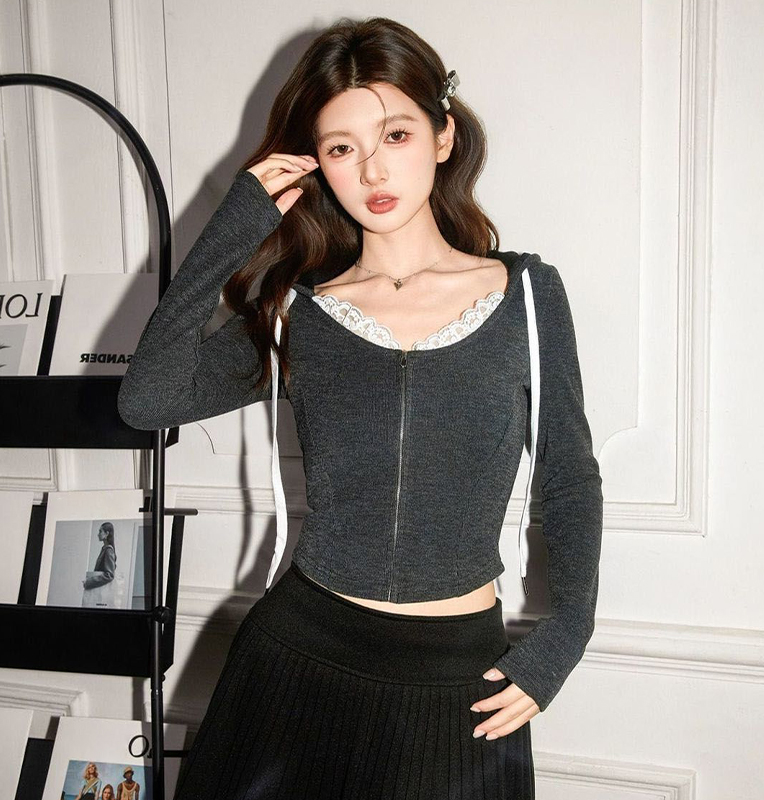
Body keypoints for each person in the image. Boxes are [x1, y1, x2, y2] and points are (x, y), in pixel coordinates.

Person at [117, 15, 603, 800]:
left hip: (460, 677)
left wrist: (567, 635)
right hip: (295, 662)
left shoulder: (526, 297)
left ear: (443, 135)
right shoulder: (299, 314)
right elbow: (148, 399)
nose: (373, 168)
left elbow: (570, 477)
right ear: (319, 166)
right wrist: (234, 225)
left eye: (396, 135)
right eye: (342, 148)